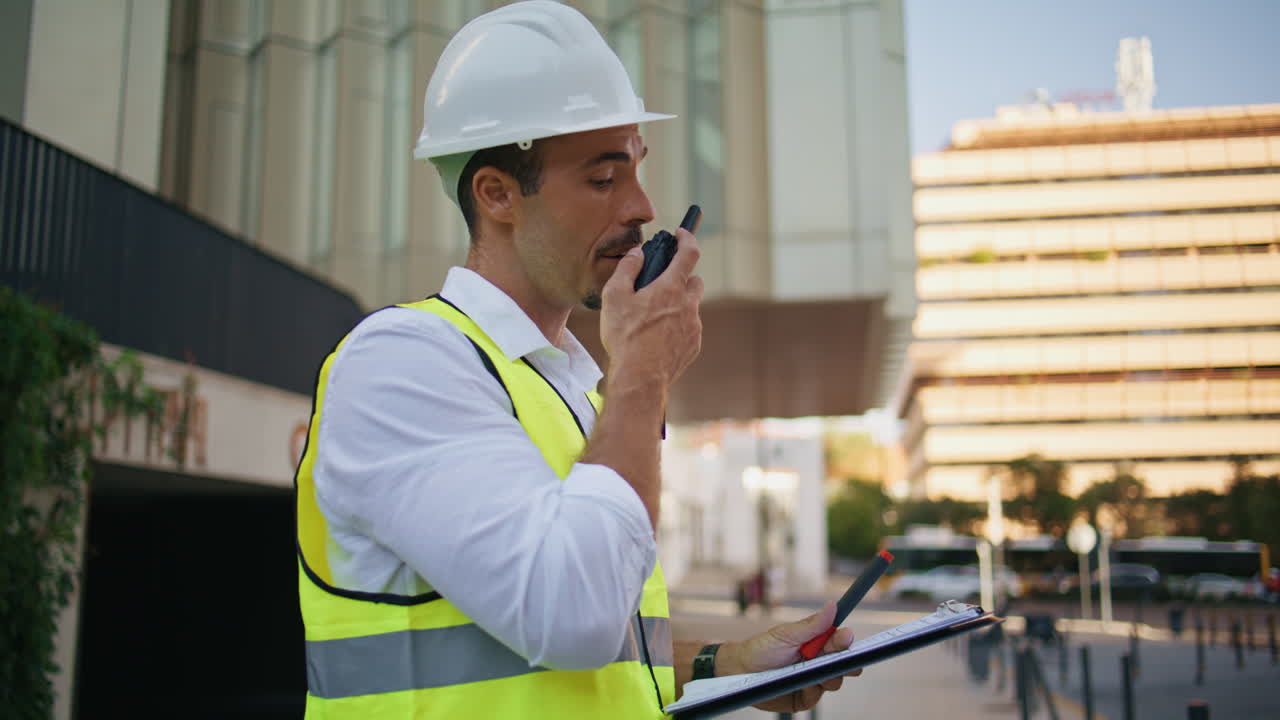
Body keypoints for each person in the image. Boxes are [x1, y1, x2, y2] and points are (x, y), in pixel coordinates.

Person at [294, 2, 859, 717]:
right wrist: (645, 373)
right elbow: (575, 614)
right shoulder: (401, 364)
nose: (642, 206)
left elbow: (599, 661)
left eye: (638, 170)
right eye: (603, 179)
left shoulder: (577, 390)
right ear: (496, 194)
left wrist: (734, 665)